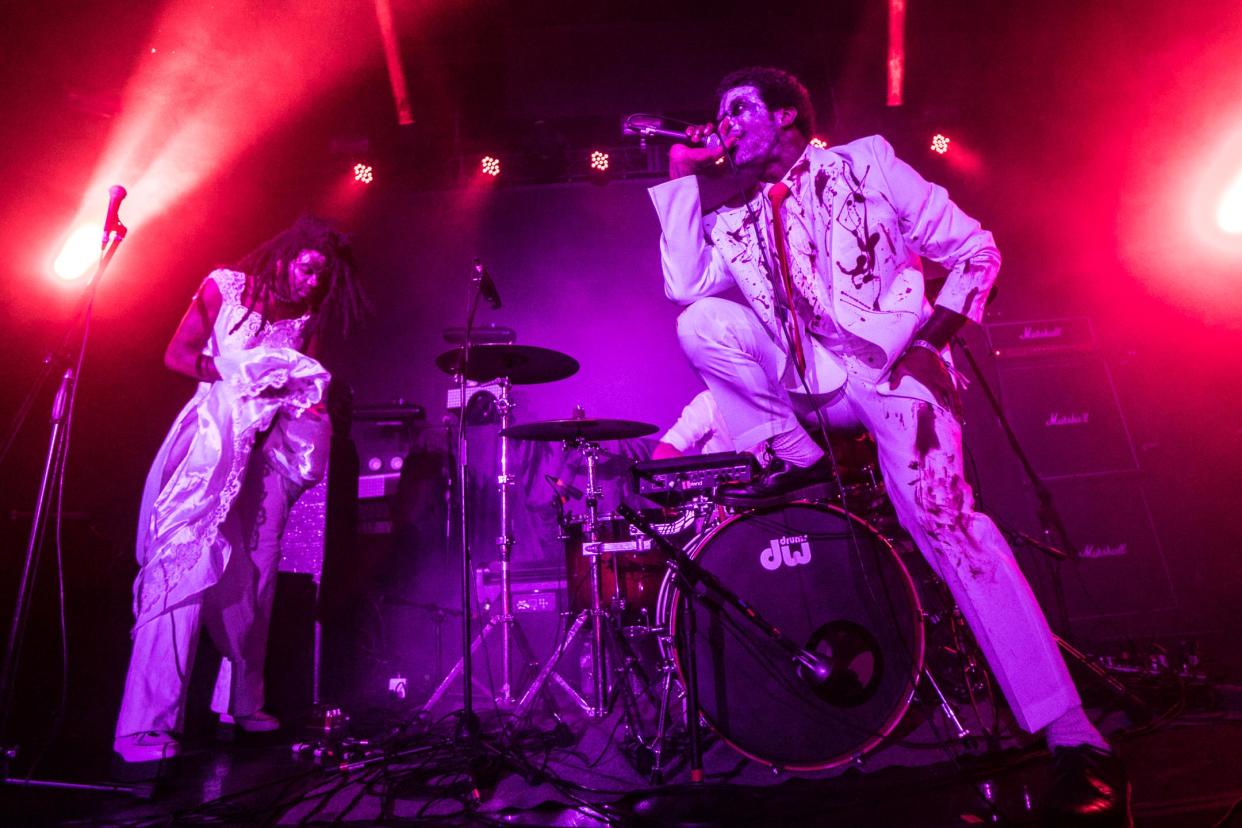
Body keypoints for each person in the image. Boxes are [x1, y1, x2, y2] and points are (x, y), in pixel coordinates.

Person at [648, 67, 1127, 822]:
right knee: (700, 324)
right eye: (716, 113)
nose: (724, 123)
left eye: (738, 108)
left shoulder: (865, 164)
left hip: (890, 374)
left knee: (950, 530)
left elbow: (976, 248)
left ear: (787, 116)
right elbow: (685, 286)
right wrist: (678, 180)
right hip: (811, 394)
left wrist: (934, 335)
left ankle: (1073, 737)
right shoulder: (734, 220)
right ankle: (786, 456)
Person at [113, 217, 364, 764]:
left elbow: (307, 379)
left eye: (325, 277)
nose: (316, 283)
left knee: (257, 566)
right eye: (310, 269)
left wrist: (307, 404)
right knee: (182, 564)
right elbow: (176, 356)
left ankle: (241, 700)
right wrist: (237, 375)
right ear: (287, 255)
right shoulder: (225, 286)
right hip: (214, 437)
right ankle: (144, 725)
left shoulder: (307, 316)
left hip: (269, 446)